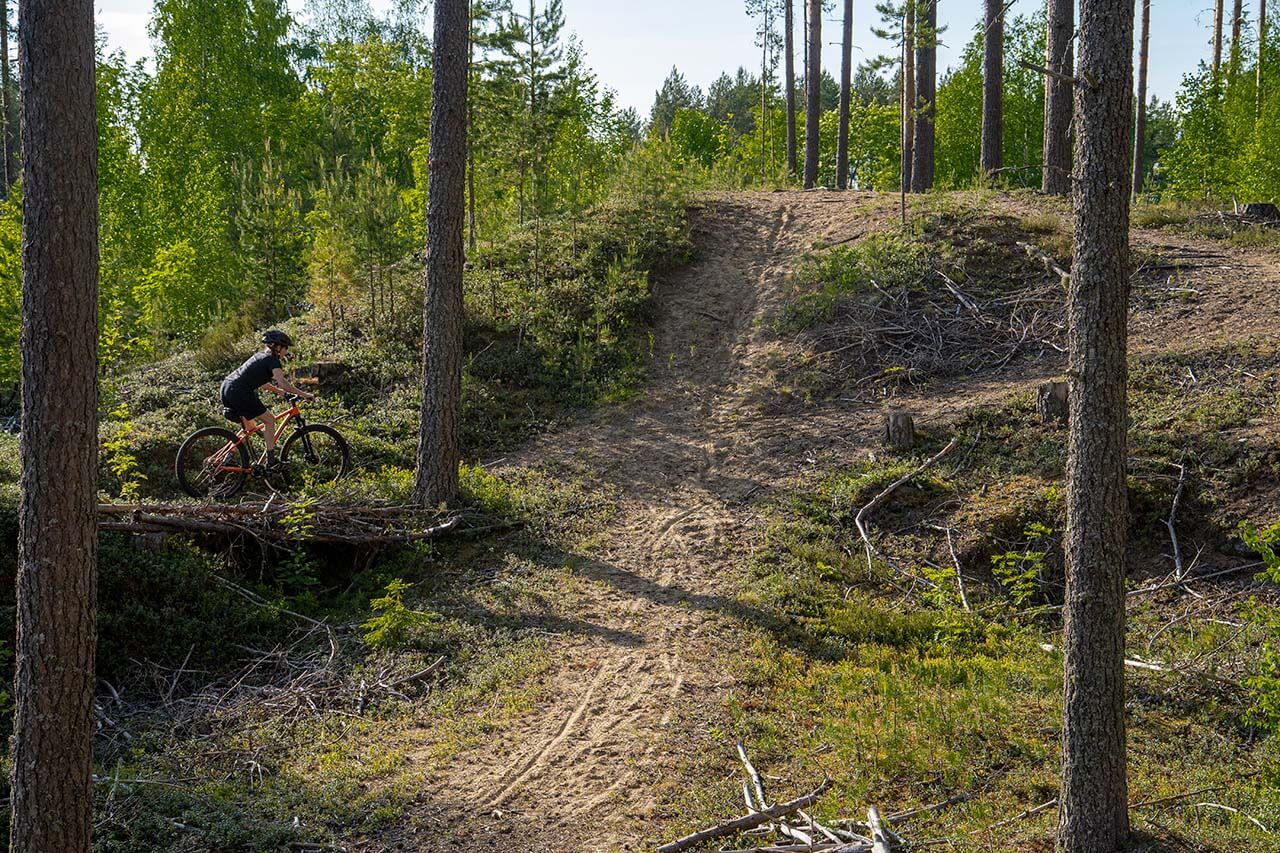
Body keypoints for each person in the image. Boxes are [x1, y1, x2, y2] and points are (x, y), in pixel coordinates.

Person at [220, 330, 314, 468]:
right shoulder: (273, 360)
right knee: (270, 420)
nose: (286, 352)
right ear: (278, 347)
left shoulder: (260, 356)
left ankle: (226, 457)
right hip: (240, 392)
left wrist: (281, 393)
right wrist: (304, 394)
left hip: (227, 387)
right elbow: (283, 382)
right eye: (285, 347)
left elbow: (261, 382)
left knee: (250, 427)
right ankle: (271, 461)